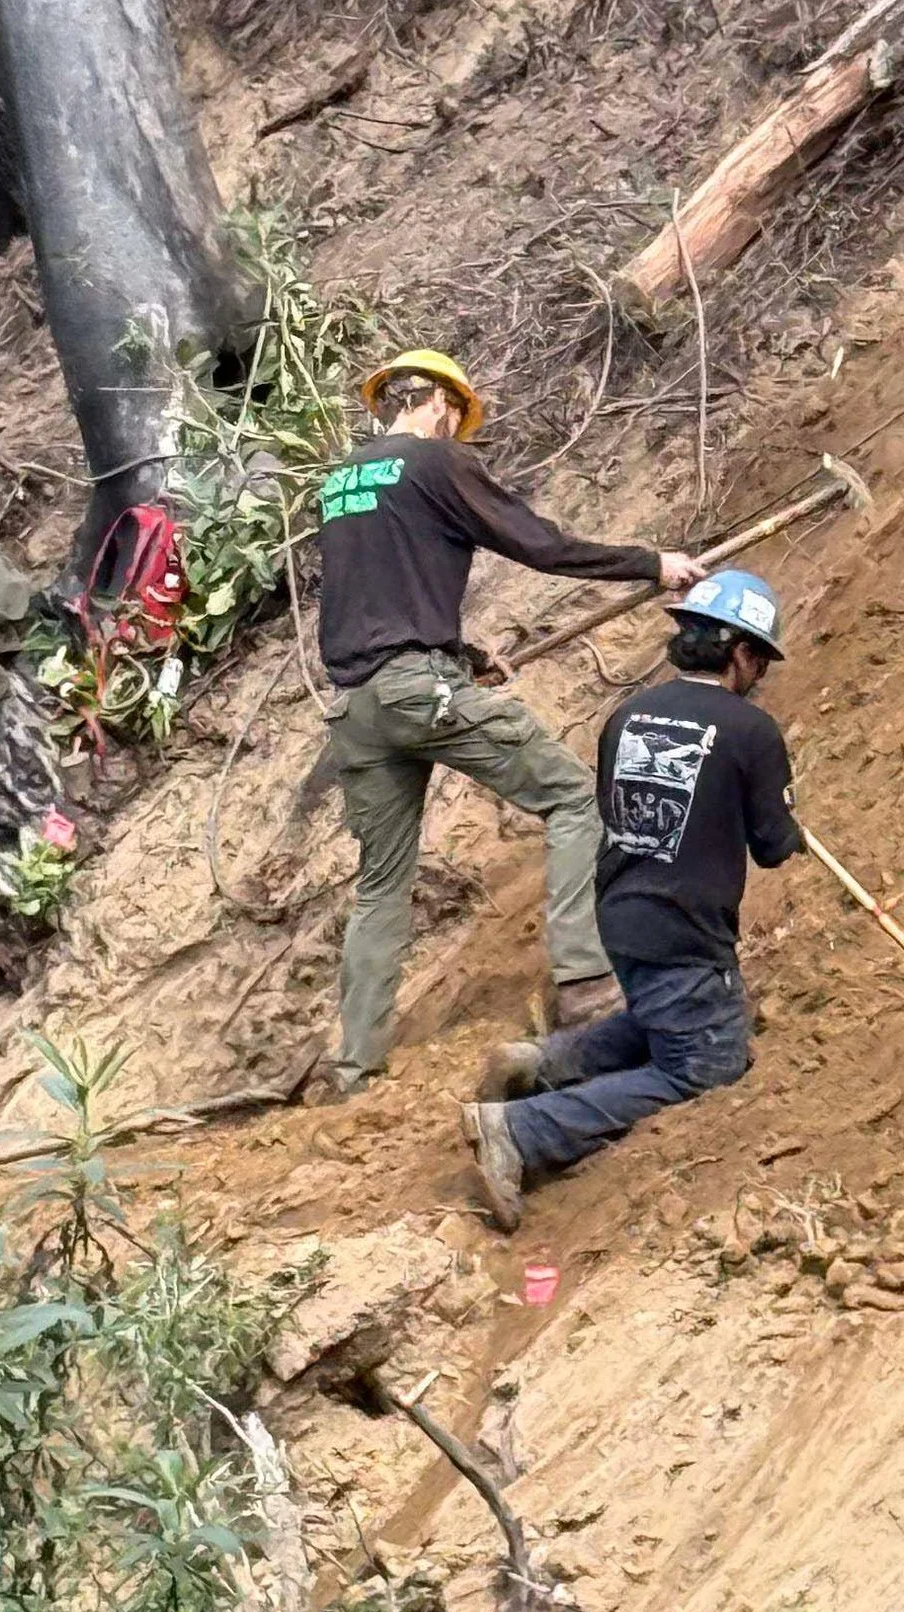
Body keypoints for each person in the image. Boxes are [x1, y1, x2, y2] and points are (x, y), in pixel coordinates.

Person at [316, 349, 703, 1093]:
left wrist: (459, 656)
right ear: (446, 406)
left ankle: (354, 1065)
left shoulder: (340, 483)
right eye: (461, 418)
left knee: (381, 886)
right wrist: (650, 563)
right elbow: (540, 544)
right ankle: (585, 983)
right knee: (573, 799)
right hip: (415, 690)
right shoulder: (436, 463)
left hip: (358, 708)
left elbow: (375, 597)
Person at [461, 569, 803, 1227]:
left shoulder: (628, 715)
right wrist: (785, 814)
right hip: (684, 926)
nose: (759, 670)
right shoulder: (751, 731)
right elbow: (773, 845)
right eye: (758, 655)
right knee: (704, 1064)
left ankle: (543, 1063)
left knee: (664, 1013)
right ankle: (520, 1130)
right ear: (737, 651)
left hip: (619, 912)